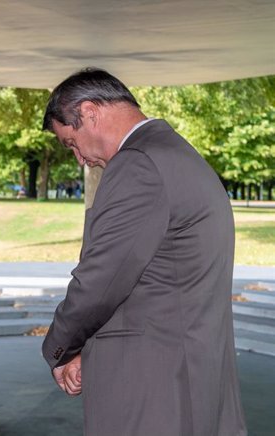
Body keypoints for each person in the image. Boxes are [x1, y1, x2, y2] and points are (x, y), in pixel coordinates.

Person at [40, 68, 245, 436]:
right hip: (189, 379)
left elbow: (99, 282)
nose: (80, 159)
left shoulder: (138, 165)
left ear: (90, 112)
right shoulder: (179, 155)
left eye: (71, 142)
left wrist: (60, 347)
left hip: (153, 392)